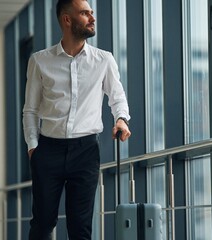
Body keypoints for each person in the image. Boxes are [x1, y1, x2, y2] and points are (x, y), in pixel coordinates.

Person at [22, 0, 131, 239]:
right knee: (42, 224)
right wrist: (33, 147)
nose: (92, 18)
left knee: (80, 228)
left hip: (85, 151)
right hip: (47, 149)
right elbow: (30, 110)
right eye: (85, 13)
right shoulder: (40, 61)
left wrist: (121, 119)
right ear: (67, 19)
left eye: (92, 13)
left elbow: (117, 97)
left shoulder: (104, 60)